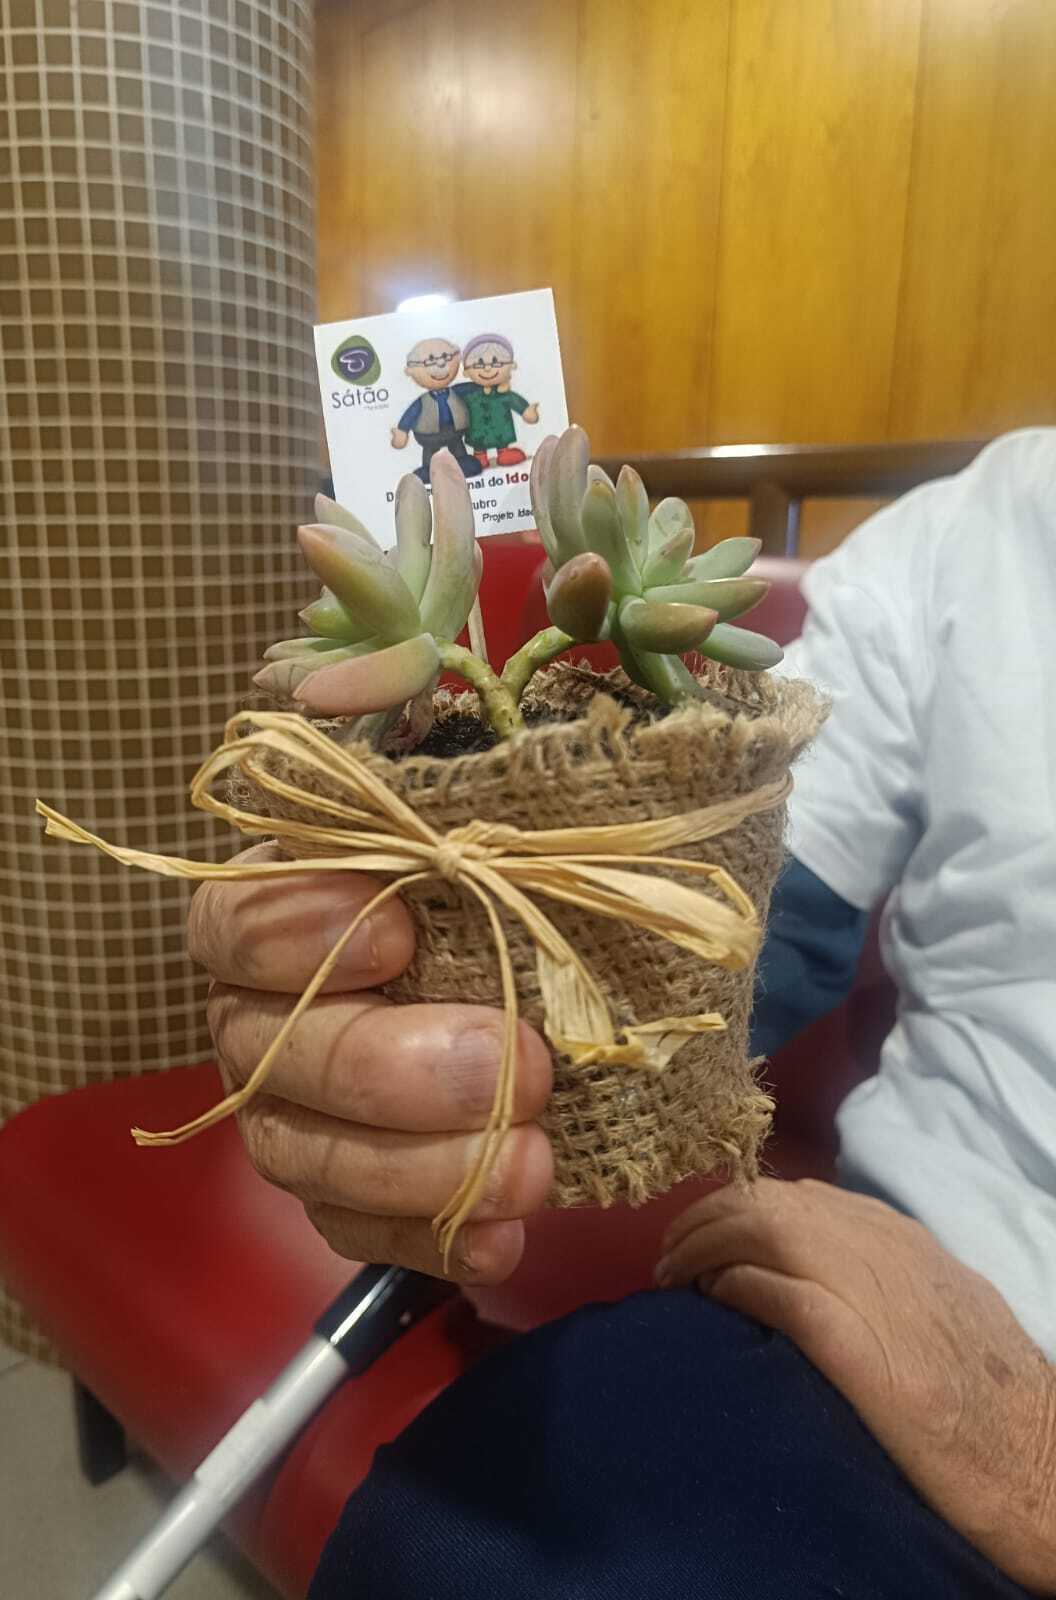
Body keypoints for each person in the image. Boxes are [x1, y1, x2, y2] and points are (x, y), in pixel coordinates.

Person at [188, 430, 1056, 1594]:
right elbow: (755, 914)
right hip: (910, 1295)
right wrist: (434, 1026)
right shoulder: (978, 529)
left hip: (1002, 1403)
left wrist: (1037, 1454)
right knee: (450, 1542)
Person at [391, 336, 484, 482]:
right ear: (411, 371)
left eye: (446, 357)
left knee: (458, 449)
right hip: (430, 436)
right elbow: (410, 415)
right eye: (430, 361)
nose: (440, 364)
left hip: (455, 431)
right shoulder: (421, 402)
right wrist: (402, 432)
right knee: (431, 454)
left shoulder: (456, 392)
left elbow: (476, 387)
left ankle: (462, 463)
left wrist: (487, 383)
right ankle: (429, 469)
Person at [455, 332, 540, 468]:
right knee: (478, 446)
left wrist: (527, 411)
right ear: (466, 371)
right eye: (479, 364)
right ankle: (479, 455)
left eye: (496, 362)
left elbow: (516, 402)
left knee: (502, 441)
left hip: (501, 431)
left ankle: (503, 452)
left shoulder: (504, 394)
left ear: (511, 366)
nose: (488, 368)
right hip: (477, 432)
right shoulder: (469, 393)